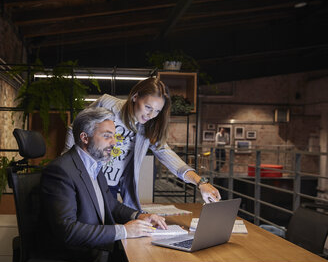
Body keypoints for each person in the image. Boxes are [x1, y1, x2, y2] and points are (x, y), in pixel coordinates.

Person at [40, 107, 167, 262]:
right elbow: (68, 230)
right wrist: (124, 231)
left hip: (98, 252)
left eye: (114, 136)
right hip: (76, 260)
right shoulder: (61, 171)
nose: (114, 142)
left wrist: (140, 216)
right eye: (107, 136)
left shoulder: (94, 165)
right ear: (85, 138)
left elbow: (110, 204)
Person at [63, 77, 221, 211]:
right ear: (135, 97)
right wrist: (68, 165)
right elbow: (75, 128)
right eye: (148, 107)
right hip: (86, 179)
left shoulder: (149, 127)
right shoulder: (108, 104)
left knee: (106, 230)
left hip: (110, 186)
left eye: (157, 111)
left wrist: (200, 182)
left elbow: (169, 157)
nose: (151, 115)